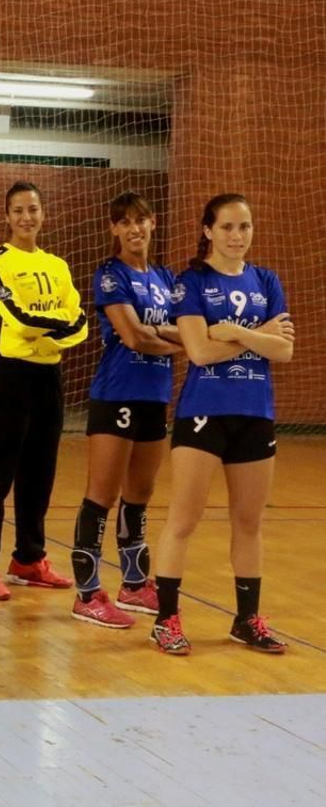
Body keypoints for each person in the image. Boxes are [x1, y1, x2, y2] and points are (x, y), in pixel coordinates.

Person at [151, 194, 293, 655]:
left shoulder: (267, 280)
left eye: (244, 226)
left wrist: (234, 332)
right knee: (184, 519)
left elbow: (285, 350)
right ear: (208, 231)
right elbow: (199, 352)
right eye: (228, 227)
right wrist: (260, 336)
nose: (237, 235)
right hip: (203, 413)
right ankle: (166, 620)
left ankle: (246, 620)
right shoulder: (191, 281)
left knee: (249, 522)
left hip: (255, 414)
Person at [0, 181, 87, 600]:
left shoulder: (58, 266)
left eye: (32, 209)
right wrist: (53, 329)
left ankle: (29, 559)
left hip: (48, 375)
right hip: (10, 373)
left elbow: (80, 323)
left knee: (40, 471)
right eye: (18, 210)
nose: (26, 217)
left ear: (42, 213)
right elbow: (18, 317)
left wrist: (46, 334)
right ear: (7, 216)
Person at [70, 192, 181, 628]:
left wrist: (166, 334)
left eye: (141, 219)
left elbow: (183, 329)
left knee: (140, 494)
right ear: (114, 229)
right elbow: (133, 337)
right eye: (125, 222)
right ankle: (87, 594)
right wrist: (178, 341)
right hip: (117, 394)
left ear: (153, 223)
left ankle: (133, 585)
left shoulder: (166, 278)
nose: (135, 228)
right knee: (101, 495)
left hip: (155, 396)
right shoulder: (110, 275)